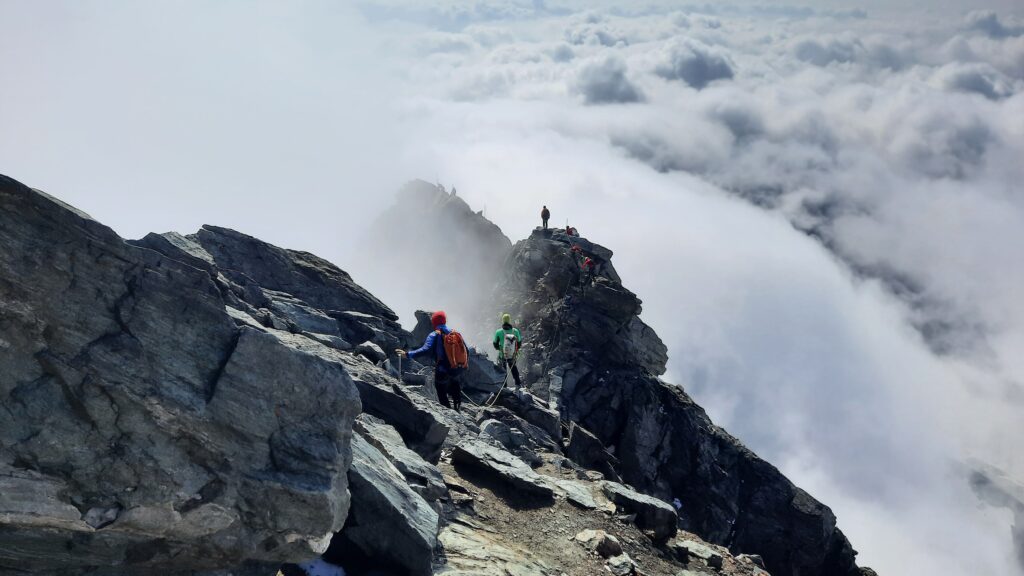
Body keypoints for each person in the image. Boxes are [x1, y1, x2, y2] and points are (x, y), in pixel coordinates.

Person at [397, 310, 468, 411]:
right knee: (454, 384)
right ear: (444, 321)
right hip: (457, 367)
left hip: (442, 369)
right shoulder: (455, 333)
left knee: (441, 391)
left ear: (434, 322)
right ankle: (457, 407)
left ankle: (448, 413)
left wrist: (407, 354)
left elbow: (425, 350)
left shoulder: (434, 334)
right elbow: (466, 350)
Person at [492, 313, 523, 389]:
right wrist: (515, 350)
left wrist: (499, 349)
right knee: (513, 368)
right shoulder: (515, 331)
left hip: (502, 354)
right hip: (512, 354)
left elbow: (495, 343)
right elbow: (519, 342)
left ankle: (504, 386)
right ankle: (518, 384)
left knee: (503, 369)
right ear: (509, 321)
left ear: (503, 321)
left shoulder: (498, 332)